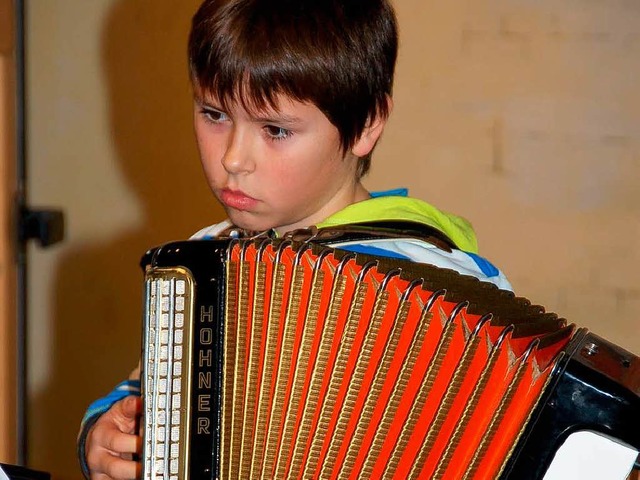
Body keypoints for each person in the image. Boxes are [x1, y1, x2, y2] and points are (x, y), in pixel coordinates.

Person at [77, 0, 511, 478]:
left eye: (275, 129)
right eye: (214, 114)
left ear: (366, 123)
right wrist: (101, 437)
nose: (234, 160)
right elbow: (141, 392)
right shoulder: (205, 260)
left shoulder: (442, 284)